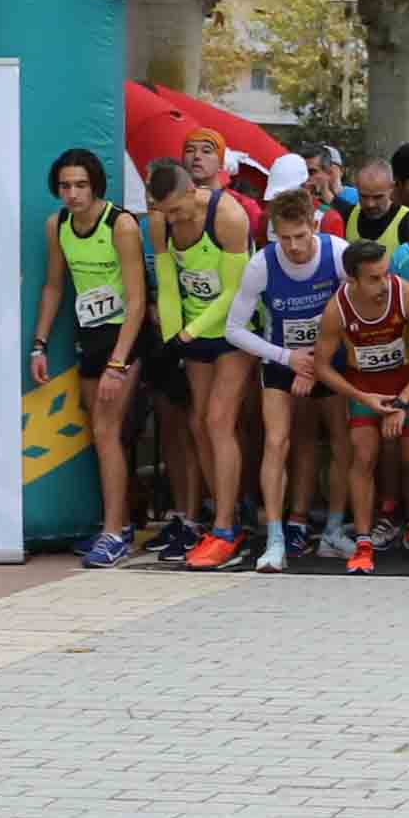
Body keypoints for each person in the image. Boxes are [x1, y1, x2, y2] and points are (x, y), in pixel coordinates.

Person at [31, 148, 150, 567]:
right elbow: (53, 288)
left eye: (80, 185)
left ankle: (114, 533)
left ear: (95, 184)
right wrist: (39, 344)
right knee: (100, 432)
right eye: (65, 186)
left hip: (125, 336)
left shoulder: (120, 225)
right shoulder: (57, 225)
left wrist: (118, 364)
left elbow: (137, 301)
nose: (72, 194)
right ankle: (120, 523)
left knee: (106, 430)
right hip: (89, 334)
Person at [221, 188, 346, 573]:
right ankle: (274, 538)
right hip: (283, 358)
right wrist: (288, 358)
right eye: (284, 237)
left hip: (330, 360)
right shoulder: (261, 265)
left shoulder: (338, 253)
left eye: (300, 236)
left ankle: (334, 530)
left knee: (344, 441)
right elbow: (233, 329)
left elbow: (361, 309)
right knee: (277, 441)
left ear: (314, 226)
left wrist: (318, 361)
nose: (293, 247)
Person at [302, 233, 409, 574]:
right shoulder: (337, 308)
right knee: (363, 456)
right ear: (352, 278)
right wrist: (363, 398)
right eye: (374, 278)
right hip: (365, 386)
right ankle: (363, 539)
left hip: (405, 383)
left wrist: (403, 401)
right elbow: (320, 366)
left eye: (385, 273)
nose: (383, 283)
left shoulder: (406, 294)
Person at [147, 160, 259, 570]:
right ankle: (224, 514)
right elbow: (168, 283)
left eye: (178, 210)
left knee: (217, 420)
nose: (173, 219)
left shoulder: (228, 216)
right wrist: (172, 336)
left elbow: (236, 293)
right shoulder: (160, 221)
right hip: (193, 328)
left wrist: (189, 333)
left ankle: (227, 529)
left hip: (232, 328)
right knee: (197, 422)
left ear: (193, 191)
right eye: (165, 213)